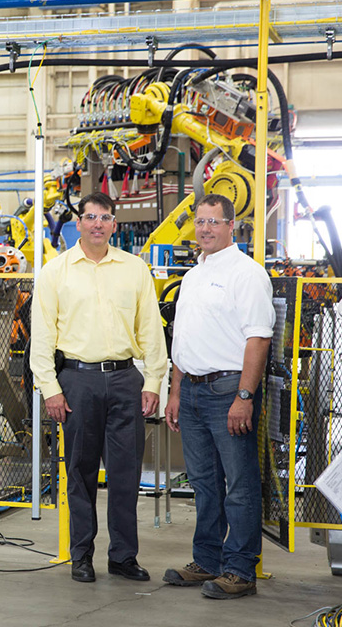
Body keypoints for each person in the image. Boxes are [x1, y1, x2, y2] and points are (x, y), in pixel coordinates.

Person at [30, 191, 167, 583]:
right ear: (79, 223)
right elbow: (42, 338)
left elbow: (150, 330)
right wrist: (51, 389)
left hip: (126, 379)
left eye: (104, 218)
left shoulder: (134, 269)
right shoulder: (55, 272)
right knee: (81, 473)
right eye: (90, 217)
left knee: (125, 475)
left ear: (113, 225)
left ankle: (123, 557)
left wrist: (154, 379)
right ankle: (82, 556)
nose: (97, 224)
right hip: (77, 381)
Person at [162, 193, 274, 599]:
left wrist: (244, 396)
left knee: (239, 485)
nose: (205, 228)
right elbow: (182, 340)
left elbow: (258, 338)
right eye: (200, 221)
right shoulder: (193, 275)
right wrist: (174, 393)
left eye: (214, 221)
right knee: (205, 483)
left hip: (228, 391)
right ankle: (207, 561)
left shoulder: (247, 273)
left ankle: (240, 570)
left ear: (231, 225)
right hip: (190, 391)